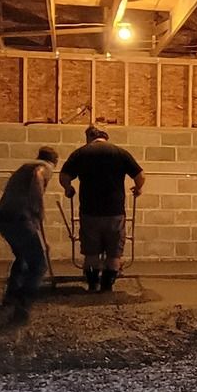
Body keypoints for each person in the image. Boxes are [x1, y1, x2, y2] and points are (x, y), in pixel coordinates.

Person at [59, 124, 145, 292]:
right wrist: (138, 188)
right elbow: (140, 175)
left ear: (89, 138)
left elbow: (64, 176)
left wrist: (68, 189)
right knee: (114, 253)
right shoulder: (119, 152)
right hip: (115, 212)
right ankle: (107, 287)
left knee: (91, 253)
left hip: (89, 211)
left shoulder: (81, 153)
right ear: (106, 138)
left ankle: (92, 285)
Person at [0, 145, 58, 312]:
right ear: (54, 161)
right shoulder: (45, 167)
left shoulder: (23, 167)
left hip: (3, 216)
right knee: (38, 264)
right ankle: (23, 301)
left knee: (22, 256)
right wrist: (39, 209)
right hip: (19, 217)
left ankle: (11, 296)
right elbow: (38, 175)